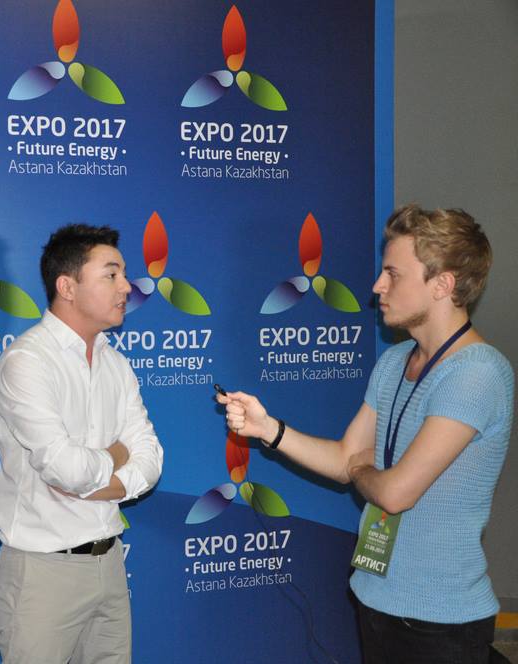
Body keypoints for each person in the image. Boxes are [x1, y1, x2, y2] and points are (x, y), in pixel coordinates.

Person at [218, 205, 513, 663]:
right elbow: (345, 458)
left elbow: (395, 493)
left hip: (441, 623)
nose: (377, 286)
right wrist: (269, 429)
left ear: (442, 285)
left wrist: (360, 468)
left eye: (393, 274)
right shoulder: (394, 362)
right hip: (375, 600)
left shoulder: (477, 373)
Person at [0, 223, 164, 664]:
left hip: (110, 563)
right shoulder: (27, 362)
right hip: (43, 572)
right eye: (111, 274)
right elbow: (65, 469)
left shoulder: (116, 364)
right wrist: (117, 455)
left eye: (124, 274)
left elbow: (150, 457)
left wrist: (104, 483)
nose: (127, 286)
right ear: (67, 287)